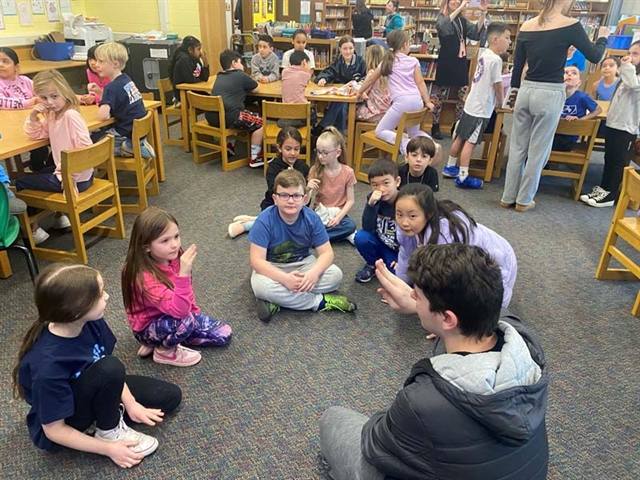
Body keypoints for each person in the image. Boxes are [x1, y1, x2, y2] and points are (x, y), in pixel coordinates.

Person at [319, 244, 549, 480]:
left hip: (409, 434)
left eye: (416, 295)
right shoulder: (525, 341)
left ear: (448, 318)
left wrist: (395, 418)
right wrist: (418, 308)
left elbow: (375, 443)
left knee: (333, 420)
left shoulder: (421, 403)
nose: (411, 296)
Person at [12, 263, 182, 468]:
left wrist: (131, 404)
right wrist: (109, 449)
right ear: (76, 310)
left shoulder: (89, 321)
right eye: (100, 293)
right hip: (66, 419)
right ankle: (108, 433)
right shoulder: (48, 367)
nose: (107, 296)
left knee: (170, 397)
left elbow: (103, 362)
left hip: (93, 383)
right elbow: (53, 431)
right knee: (110, 367)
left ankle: (106, 416)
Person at [500, 0, 609, 212]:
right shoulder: (570, 24)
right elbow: (596, 55)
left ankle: (507, 197)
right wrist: (603, 36)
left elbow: (518, 66)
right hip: (549, 92)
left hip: (526, 90)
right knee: (538, 150)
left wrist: (514, 93)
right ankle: (524, 200)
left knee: (518, 148)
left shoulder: (527, 25)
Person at [122, 207, 233, 367]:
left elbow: (187, 291)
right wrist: (183, 275)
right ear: (146, 247)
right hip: (149, 326)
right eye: (164, 241)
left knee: (223, 334)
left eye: (176, 236)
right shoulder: (143, 276)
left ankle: (164, 339)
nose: (174, 245)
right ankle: (164, 351)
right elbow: (180, 312)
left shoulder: (175, 255)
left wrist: (195, 316)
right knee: (185, 320)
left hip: (175, 315)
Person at [248, 169, 357, 323]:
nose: (291, 200)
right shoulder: (264, 220)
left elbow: (327, 253)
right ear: (275, 198)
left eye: (296, 195)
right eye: (284, 195)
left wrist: (313, 274)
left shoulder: (312, 218)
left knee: (335, 276)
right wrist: (285, 279)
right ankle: (320, 302)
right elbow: (257, 261)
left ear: (304, 198)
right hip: (272, 266)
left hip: (303, 263)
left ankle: (277, 301)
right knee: (262, 288)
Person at [395, 183, 517, 307]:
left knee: (476, 317)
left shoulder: (444, 238)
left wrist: (417, 301)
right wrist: (399, 287)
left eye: (412, 216)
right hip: (474, 259)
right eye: (399, 214)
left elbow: (445, 280)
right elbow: (406, 254)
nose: (404, 222)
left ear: (429, 213)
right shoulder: (408, 228)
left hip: (497, 263)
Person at [17, 70, 94, 245]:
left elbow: (85, 150)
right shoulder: (53, 115)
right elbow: (34, 134)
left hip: (75, 178)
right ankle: (60, 217)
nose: (49, 102)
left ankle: (34, 229)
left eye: (53, 96)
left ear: (65, 93)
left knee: (21, 183)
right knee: (42, 171)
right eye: (43, 98)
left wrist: (70, 179)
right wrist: (33, 115)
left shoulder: (70, 116)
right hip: (72, 173)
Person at [443, 22, 511, 189]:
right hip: (481, 108)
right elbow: (497, 85)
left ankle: (451, 166)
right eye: (507, 38)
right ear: (496, 39)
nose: (509, 42)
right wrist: (502, 103)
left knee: (460, 136)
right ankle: (463, 176)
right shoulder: (495, 60)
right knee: (470, 142)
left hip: (471, 104)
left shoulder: (484, 54)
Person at [356, 30, 435, 156]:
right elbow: (420, 83)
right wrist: (427, 102)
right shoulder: (413, 61)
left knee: (381, 131)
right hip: (417, 101)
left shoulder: (387, 62)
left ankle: (405, 145)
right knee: (414, 132)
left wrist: (359, 92)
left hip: (401, 103)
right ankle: (431, 144)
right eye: (409, 43)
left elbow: (371, 79)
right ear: (404, 44)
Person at [581, 40, 640, 208]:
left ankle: (611, 194)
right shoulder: (629, 75)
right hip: (613, 123)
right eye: (629, 53)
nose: (629, 57)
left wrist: (626, 66)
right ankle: (604, 188)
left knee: (618, 162)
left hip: (626, 127)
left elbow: (633, 85)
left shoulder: (633, 77)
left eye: (635, 54)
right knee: (609, 157)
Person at [228, 127, 310, 238]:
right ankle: (247, 226)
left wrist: (309, 189)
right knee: (276, 229)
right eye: (288, 149)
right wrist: (287, 181)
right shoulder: (273, 168)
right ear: (279, 148)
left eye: (296, 149)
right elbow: (274, 192)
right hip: (274, 205)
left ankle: (257, 218)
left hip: (294, 207)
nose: (293, 153)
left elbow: (305, 201)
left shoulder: (303, 167)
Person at [431, 0, 487, 140]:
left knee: (462, 96)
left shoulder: (462, 20)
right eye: (454, 0)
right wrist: (461, 7)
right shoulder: (441, 17)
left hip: (460, 60)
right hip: (446, 60)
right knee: (439, 96)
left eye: (459, 0)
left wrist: (483, 14)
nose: (456, 2)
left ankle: (456, 126)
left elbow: (475, 33)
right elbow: (443, 28)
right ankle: (435, 125)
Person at [94, 42, 155, 159]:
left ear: (115, 64)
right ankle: (137, 145)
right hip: (138, 131)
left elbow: (102, 116)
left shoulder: (111, 87)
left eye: (101, 61)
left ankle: (128, 148)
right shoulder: (126, 79)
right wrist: (99, 92)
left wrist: (102, 108)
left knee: (96, 146)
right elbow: (118, 100)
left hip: (125, 132)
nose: (96, 65)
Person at [206, 49, 265, 167]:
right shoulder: (240, 75)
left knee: (244, 114)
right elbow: (257, 89)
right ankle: (255, 157)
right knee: (262, 122)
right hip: (231, 117)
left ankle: (229, 146)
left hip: (212, 117)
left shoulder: (220, 75)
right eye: (240, 62)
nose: (242, 65)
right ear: (234, 63)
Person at [0, 47, 50, 172]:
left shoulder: (25, 81)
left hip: (30, 120)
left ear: (16, 67)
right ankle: (38, 170)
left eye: (5, 61)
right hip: (10, 126)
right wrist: (28, 102)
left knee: (51, 141)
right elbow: (2, 102)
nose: (0, 65)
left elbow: (40, 92)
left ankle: (46, 168)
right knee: (39, 147)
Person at [353, 158, 400, 283]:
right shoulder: (373, 199)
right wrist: (371, 205)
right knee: (360, 237)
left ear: (397, 181)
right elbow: (367, 227)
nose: (381, 189)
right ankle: (372, 265)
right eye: (375, 185)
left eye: (386, 183)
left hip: (398, 251)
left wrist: (404, 261)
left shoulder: (405, 201)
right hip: (381, 242)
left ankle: (384, 264)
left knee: (398, 277)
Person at [307, 127, 357, 243]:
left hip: (338, 213)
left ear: (337, 152)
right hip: (320, 213)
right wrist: (308, 188)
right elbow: (305, 204)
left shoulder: (348, 172)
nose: (320, 156)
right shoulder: (315, 170)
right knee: (306, 222)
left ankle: (316, 238)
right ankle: (335, 235)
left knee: (350, 225)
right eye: (318, 152)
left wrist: (338, 218)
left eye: (325, 153)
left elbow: (350, 201)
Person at [315, 35, 366, 134]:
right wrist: (323, 79)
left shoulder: (361, 61)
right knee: (341, 104)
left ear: (354, 48)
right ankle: (341, 133)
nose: (348, 51)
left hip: (356, 96)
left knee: (340, 103)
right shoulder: (338, 63)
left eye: (350, 48)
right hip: (341, 96)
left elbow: (366, 76)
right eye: (345, 48)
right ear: (340, 49)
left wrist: (360, 83)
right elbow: (328, 72)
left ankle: (322, 127)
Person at [551, 65, 601, 152]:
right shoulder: (554, 95)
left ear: (578, 83)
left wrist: (580, 120)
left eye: (574, 73)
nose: (569, 75)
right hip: (552, 133)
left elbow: (598, 110)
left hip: (568, 138)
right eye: (566, 73)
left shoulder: (582, 97)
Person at [168, 35, 210, 106]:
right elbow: (190, 80)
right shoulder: (184, 59)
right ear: (190, 50)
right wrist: (201, 80)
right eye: (198, 49)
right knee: (212, 101)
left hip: (193, 91)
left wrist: (205, 63)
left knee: (214, 97)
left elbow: (204, 78)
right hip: (183, 95)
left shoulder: (195, 58)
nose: (200, 52)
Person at [279, 50, 315, 128]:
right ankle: (312, 133)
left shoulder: (284, 72)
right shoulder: (306, 75)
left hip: (286, 111)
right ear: (304, 62)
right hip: (301, 112)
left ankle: (289, 123)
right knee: (313, 114)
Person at [356, 44, 391, 123]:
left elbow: (363, 92)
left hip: (374, 114)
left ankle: (349, 133)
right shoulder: (389, 73)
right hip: (389, 114)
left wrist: (357, 89)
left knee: (350, 110)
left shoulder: (372, 73)